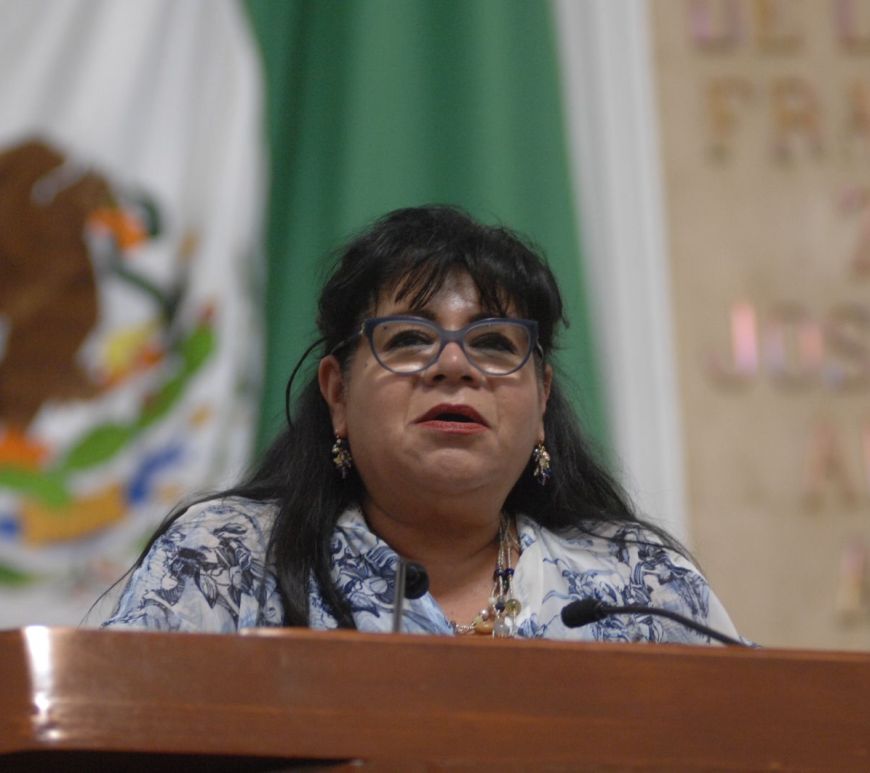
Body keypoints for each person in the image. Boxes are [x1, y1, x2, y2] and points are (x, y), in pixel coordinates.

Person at [101, 205, 740, 643]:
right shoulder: (223, 562)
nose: (454, 365)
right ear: (338, 394)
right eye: (409, 339)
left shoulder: (642, 587)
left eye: (494, 343)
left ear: (542, 401)